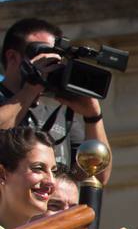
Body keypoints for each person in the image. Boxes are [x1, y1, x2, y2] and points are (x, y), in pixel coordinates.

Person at [0, 19, 111, 182]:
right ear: (12, 57)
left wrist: (93, 117)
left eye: (56, 58)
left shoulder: (58, 115)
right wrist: (32, 86)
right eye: (41, 53)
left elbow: (98, 174)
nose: (50, 63)